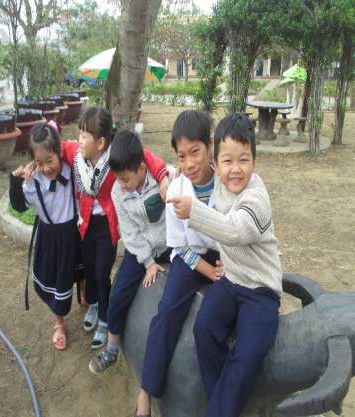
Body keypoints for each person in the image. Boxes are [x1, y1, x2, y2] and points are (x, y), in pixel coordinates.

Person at [169, 112, 282, 417]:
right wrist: (164, 177)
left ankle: (219, 409)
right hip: (231, 281)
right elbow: (184, 171)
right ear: (215, 164)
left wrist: (193, 212)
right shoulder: (218, 184)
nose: (235, 170)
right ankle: (224, 402)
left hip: (260, 290)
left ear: (255, 162)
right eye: (227, 161)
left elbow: (234, 231)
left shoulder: (256, 197)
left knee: (247, 355)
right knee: (204, 328)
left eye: (243, 160)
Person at [135, 109, 223, 417]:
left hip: (226, 253)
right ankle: (147, 388)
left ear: (211, 145)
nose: (188, 164)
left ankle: (221, 399)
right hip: (189, 257)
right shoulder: (177, 189)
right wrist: (209, 271)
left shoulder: (228, 179)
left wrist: (224, 266)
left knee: (232, 312)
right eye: (181, 156)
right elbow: (179, 247)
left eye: (195, 152)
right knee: (169, 310)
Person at [60, 106, 169, 349]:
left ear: (100, 142)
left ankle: (105, 318)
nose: (79, 140)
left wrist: (163, 177)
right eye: (79, 134)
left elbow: (147, 157)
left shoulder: (117, 160)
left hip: (108, 226)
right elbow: (59, 147)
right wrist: (34, 162)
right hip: (86, 224)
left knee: (102, 272)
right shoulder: (80, 158)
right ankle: (96, 304)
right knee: (90, 270)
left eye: (84, 136)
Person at [88, 128, 172, 374]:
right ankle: (112, 348)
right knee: (118, 293)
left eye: (125, 178)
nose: (121, 184)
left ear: (142, 168)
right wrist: (147, 262)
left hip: (170, 247)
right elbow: (130, 233)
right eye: (117, 177)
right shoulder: (117, 192)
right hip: (142, 252)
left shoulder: (163, 181)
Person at [9, 122, 80, 351]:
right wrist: (16, 182)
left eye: (50, 160)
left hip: (73, 234)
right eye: (39, 163)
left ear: (60, 153)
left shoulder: (74, 169)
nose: (46, 168)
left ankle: (86, 298)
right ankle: (59, 322)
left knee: (79, 271)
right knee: (55, 281)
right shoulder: (33, 181)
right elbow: (19, 206)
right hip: (50, 239)